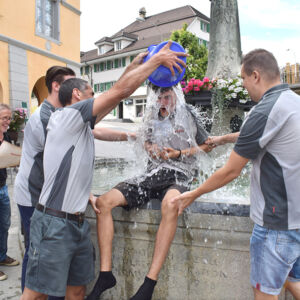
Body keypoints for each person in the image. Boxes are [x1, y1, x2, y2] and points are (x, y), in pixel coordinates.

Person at [21, 41, 187, 300]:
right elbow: (118, 93)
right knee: (36, 295)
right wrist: (155, 63)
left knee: (77, 291)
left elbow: (114, 94)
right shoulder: (66, 117)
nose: (96, 100)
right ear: (77, 95)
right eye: (90, 94)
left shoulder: (80, 123)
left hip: (76, 222)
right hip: (53, 223)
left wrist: (133, 66)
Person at [172, 49, 300, 300]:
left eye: (242, 78)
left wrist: (193, 194)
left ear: (255, 75)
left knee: (265, 293)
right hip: (296, 218)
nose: (242, 85)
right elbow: (266, 134)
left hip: (276, 223)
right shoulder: (292, 102)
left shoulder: (263, 110)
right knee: (293, 281)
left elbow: (231, 171)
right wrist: (224, 139)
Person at [87, 83, 212, 300]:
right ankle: (105, 275)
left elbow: (209, 145)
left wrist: (179, 153)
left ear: (176, 94)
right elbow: (143, 140)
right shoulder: (152, 115)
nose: (162, 103)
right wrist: (150, 147)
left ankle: (149, 284)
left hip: (181, 173)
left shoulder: (189, 114)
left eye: (166, 97)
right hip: (153, 174)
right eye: (159, 98)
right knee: (104, 202)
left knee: (170, 204)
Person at [14, 66, 75, 299]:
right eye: (70, 84)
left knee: (41, 252)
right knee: (35, 253)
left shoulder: (59, 113)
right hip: (32, 195)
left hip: (43, 195)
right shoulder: (44, 116)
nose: (75, 90)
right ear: (56, 86)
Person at [0, 104, 20, 282]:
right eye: (4, 118)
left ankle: (1, 256)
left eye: (9, 118)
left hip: (2, 187)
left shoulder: (5, 136)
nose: (8, 122)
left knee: (4, 224)